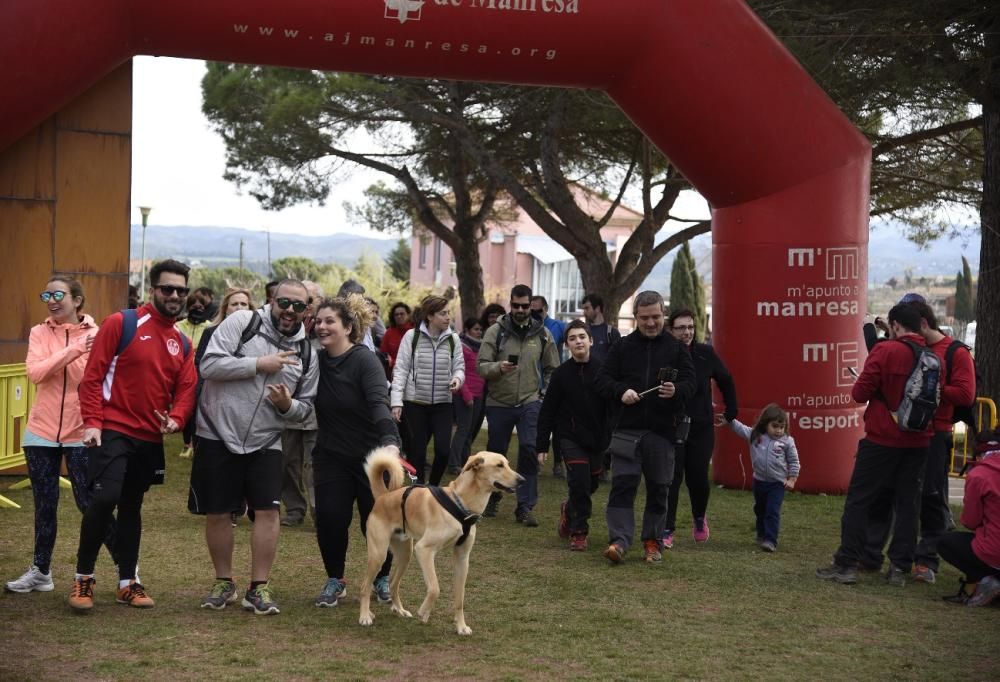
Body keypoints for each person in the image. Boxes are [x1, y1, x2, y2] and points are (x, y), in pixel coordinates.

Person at [70, 259, 197, 611]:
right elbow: (92, 378)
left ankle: (128, 582)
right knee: (105, 496)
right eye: (167, 288)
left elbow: (187, 389)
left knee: (131, 506)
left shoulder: (183, 343)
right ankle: (83, 579)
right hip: (112, 428)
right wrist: (92, 421)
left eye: (180, 290)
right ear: (153, 290)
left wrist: (176, 419)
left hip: (148, 437)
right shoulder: (121, 323)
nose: (174, 295)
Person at [189, 279, 318, 615]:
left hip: (266, 439)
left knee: (268, 511)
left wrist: (288, 406)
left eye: (299, 306)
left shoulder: (307, 352)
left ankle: (258, 588)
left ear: (307, 311)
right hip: (217, 432)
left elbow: (308, 406)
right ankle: (223, 581)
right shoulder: (241, 323)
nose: (290, 311)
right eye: (285, 303)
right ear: (272, 300)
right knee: (218, 511)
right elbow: (209, 365)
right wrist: (258, 365)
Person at [5, 277, 117, 594]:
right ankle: (41, 571)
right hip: (41, 430)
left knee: (89, 501)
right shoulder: (40, 332)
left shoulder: (98, 335)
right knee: (44, 504)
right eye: (47, 295)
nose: (52, 300)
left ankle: (126, 567)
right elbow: (36, 373)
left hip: (83, 429)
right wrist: (74, 349)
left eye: (58, 294)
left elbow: (98, 380)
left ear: (77, 300)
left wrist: (82, 349)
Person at [816, 303, 935, 587]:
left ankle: (847, 563)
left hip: (882, 437)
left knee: (860, 500)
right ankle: (899, 568)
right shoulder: (932, 358)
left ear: (894, 326)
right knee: (908, 504)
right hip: (919, 440)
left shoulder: (885, 351)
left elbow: (860, 393)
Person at [862, 300, 976, 581]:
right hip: (899, 431)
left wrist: (928, 387)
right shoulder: (909, 347)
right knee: (886, 493)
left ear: (924, 323)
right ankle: (872, 552)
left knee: (929, 497)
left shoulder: (955, 353)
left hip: (935, 432)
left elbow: (965, 395)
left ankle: (926, 560)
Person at [310, 295, 402, 608]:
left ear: (348, 327)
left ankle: (382, 577)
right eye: (319, 321)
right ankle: (336, 579)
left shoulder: (365, 360)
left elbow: (379, 403)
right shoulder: (316, 361)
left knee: (374, 523)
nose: (321, 327)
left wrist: (390, 440)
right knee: (331, 519)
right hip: (330, 456)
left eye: (329, 321)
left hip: (370, 459)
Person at [593, 290, 695, 564]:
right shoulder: (623, 347)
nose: (651, 323)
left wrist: (677, 390)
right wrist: (620, 391)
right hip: (627, 430)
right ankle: (619, 541)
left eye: (656, 317)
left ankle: (653, 541)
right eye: (645, 318)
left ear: (664, 315)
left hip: (662, 433)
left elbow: (692, 384)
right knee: (622, 486)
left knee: (659, 487)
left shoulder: (676, 349)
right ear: (636, 317)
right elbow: (602, 379)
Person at [477, 284, 560, 526]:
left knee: (529, 448)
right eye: (516, 305)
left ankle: (524, 507)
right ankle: (492, 497)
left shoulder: (543, 334)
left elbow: (553, 368)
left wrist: (543, 395)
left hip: (529, 401)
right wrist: (498, 368)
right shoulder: (496, 331)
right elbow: (481, 366)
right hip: (499, 402)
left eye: (525, 306)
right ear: (510, 304)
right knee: (496, 452)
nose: (521, 310)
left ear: (531, 305)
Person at [663, 308, 738, 548]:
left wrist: (731, 411)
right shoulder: (664, 353)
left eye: (690, 327)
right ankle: (667, 528)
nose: (687, 332)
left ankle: (699, 518)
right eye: (681, 328)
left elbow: (725, 379)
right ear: (670, 330)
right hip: (672, 424)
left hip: (701, 426)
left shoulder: (705, 353)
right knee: (671, 479)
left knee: (698, 478)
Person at [536, 320, 610, 551]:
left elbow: (613, 405)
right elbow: (547, 411)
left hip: (598, 440)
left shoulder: (604, 371)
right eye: (572, 338)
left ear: (591, 340)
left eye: (581, 336)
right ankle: (579, 531)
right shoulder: (561, 374)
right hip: (569, 438)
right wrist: (541, 446)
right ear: (567, 345)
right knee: (579, 483)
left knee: (591, 484)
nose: (578, 341)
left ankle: (568, 510)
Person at [391, 295, 464, 485]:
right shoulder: (411, 337)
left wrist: (457, 379)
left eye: (448, 312)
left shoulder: (453, 339)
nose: (448, 317)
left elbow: (459, 368)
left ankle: (433, 487)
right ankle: (417, 488)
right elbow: (400, 370)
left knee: (443, 451)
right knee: (417, 453)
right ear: (430, 316)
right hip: (415, 404)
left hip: (443, 404)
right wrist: (397, 402)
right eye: (443, 313)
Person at [724, 404, 800, 552]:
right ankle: (761, 533)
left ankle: (770, 540)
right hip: (759, 482)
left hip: (777, 484)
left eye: (781, 427)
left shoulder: (788, 442)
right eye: (775, 426)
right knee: (760, 509)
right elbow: (740, 428)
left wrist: (792, 479)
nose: (778, 430)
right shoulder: (756, 436)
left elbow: (794, 461)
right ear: (765, 424)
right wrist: (729, 420)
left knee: (772, 511)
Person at [280, 280, 324, 528]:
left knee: (313, 465)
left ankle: (320, 511)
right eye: (301, 302)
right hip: (286, 408)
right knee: (285, 462)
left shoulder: (328, 329)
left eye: (310, 300)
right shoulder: (286, 329)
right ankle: (294, 508)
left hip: (317, 411)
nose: (305, 307)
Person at [938, 429, 1000, 607]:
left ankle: (987, 580)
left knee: (947, 542)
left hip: (993, 553)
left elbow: (970, 521)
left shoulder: (980, 474)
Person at [176, 288, 214, 459]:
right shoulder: (178, 326)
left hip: (201, 375)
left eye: (201, 306)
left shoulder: (210, 327)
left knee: (198, 408)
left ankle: (197, 442)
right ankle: (187, 444)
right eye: (193, 306)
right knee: (186, 408)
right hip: (182, 373)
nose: (197, 309)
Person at [448, 317, 487, 475]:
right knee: (463, 429)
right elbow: (458, 370)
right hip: (465, 393)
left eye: (480, 329)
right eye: (475, 329)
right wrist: (466, 395)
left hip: (479, 393)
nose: (479, 332)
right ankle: (453, 463)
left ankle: (465, 462)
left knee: (470, 431)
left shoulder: (483, 346)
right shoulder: (461, 346)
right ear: (468, 329)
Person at [581, 293, 621, 365]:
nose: (584, 312)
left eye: (587, 308)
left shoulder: (611, 333)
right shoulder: (582, 332)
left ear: (597, 309)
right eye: (583, 309)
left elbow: (618, 359)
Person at [379, 302, 414, 370]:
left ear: (408, 315)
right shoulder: (389, 333)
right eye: (396, 315)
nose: (399, 316)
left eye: (402, 314)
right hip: (393, 371)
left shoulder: (415, 331)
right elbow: (384, 354)